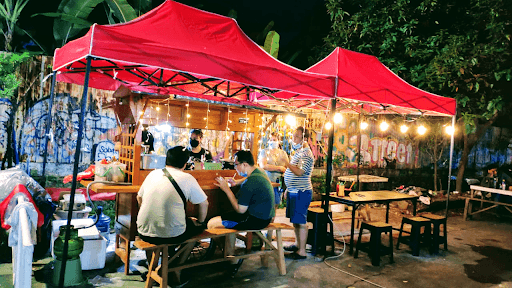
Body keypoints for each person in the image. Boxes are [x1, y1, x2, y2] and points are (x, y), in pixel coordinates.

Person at [208, 150, 275, 276]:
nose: (235, 167)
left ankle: (232, 259)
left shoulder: (250, 184)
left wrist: (227, 189)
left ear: (244, 164)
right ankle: (228, 255)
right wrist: (237, 182)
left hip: (255, 219)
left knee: (212, 224)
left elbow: (240, 210)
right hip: (266, 216)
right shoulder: (258, 172)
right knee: (228, 221)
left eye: (236, 164)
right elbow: (248, 178)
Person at [137, 146, 209, 252]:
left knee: (179, 224)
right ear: (185, 164)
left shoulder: (153, 174)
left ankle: (160, 262)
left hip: (143, 231)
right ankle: (178, 265)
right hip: (173, 235)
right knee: (195, 231)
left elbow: (139, 197)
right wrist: (200, 223)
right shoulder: (187, 178)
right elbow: (204, 204)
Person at [280, 126, 314, 260]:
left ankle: (302, 251)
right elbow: (294, 173)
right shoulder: (299, 152)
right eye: (293, 136)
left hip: (302, 192)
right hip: (294, 191)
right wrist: (288, 188)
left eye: (297, 136)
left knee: (301, 221)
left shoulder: (307, 155)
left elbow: (300, 172)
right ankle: (297, 244)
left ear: (304, 138)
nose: (294, 139)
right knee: (295, 220)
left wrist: (287, 164)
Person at [258, 132, 288, 208]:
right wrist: (279, 168)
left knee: (276, 203)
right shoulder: (264, 152)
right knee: (267, 204)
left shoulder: (283, 153)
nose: (272, 141)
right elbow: (263, 165)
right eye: (270, 140)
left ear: (278, 141)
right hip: (268, 181)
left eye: (274, 140)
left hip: (279, 182)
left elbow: (287, 166)